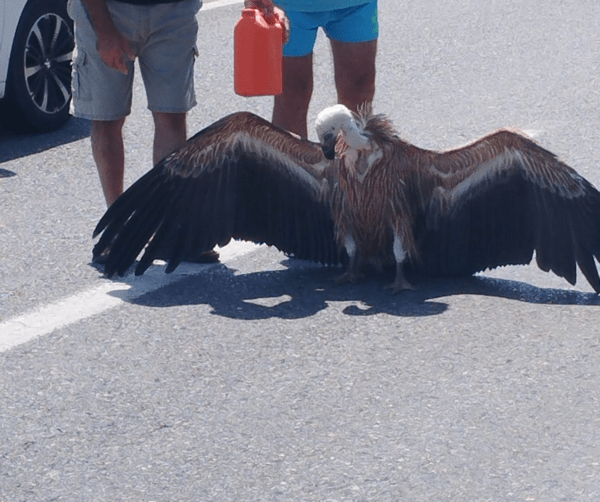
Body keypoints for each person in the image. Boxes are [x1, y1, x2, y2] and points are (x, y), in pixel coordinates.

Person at [69, 0, 218, 262]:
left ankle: (169, 228)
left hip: (174, 11)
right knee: (107, 118)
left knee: (171, 116)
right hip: (108, 9)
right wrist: (104, 32)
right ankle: (116, 228)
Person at [245, 0, 378, 138]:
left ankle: (355, 158)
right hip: (289, 7)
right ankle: (290, 159)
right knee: (291, 99)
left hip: (355, 5)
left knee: (360, 94)